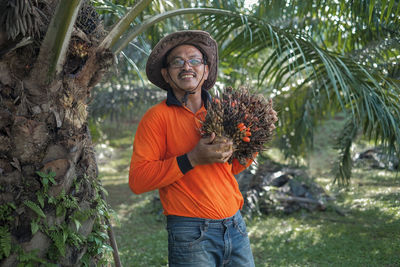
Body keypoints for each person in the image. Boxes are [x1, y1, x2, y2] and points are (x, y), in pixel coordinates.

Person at [129, 30, 277, 266]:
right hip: (190, 232)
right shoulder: (156, 118)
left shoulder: (224, 111)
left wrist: (253, 139)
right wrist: (192, 158)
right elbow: (138, 181)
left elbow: (231, 168)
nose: (187, 66)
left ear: (205, 70)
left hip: (235, 225)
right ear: (167, 75)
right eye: (178, 61)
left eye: (194, 60)